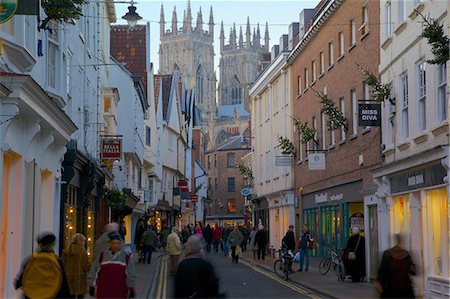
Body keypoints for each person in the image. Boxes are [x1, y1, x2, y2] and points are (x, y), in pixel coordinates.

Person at [15, 231, 71, 299]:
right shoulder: (57, 261)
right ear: (52, 244)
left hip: (31, 296)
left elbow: (18, 283)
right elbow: (64, 286)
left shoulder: (30, 260)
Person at [88, 232, 136, 298]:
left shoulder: (126, 258)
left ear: (120, 244)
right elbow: (93, 271)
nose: (115, 245)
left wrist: (131, 288)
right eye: (113, 243)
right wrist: (91, 286)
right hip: (103, 292)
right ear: (110, 244)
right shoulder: (102, 256)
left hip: (119, 292)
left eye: (117, 243)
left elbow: (131, 274)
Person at [376, 234, 416, 298]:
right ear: (401, 241)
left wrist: (379, 281)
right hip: (405, 288)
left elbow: (382, 271)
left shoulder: (387, 254)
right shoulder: (406, 254)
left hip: (391, 287)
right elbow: (412, 271)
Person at [61, 233, 90, 298]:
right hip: (80, 277)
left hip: (68, 276)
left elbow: (62, 263)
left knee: (70, 294)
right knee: (80, 295)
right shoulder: (82, 251)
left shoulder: (66, 250)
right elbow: (86, 264)